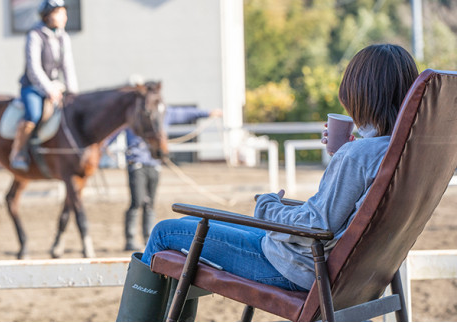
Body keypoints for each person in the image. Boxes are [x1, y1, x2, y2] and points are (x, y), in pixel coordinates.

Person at [116, 44, 419, 321]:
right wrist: (342, 152)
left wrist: (268, 207)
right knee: (203, 228)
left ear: (361, 92)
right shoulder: (401, 150)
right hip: (352, 275)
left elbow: (314, 225)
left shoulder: (357, 155)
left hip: (295, 267)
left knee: (165, 232)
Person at [122, 105, 223, 251]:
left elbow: (185, 112)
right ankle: (130, 238)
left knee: (150, 202)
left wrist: (208, 112)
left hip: (154, 163)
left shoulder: (163, 114)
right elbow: (111, 131)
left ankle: (147, 236)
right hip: (136, 163)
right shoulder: (133, 116)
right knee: (137, 201)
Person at [10, 0, 78, 172]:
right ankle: (18, 152)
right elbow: (34, 68)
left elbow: (68, 66)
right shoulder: (35, 35)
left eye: (64, 12)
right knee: (34, 114)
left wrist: (73, 93)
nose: (64, 17)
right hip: (33, 88)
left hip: (56, 87)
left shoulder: (63, 37)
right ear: (47, 15)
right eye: (59, 13)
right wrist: (49, 89)